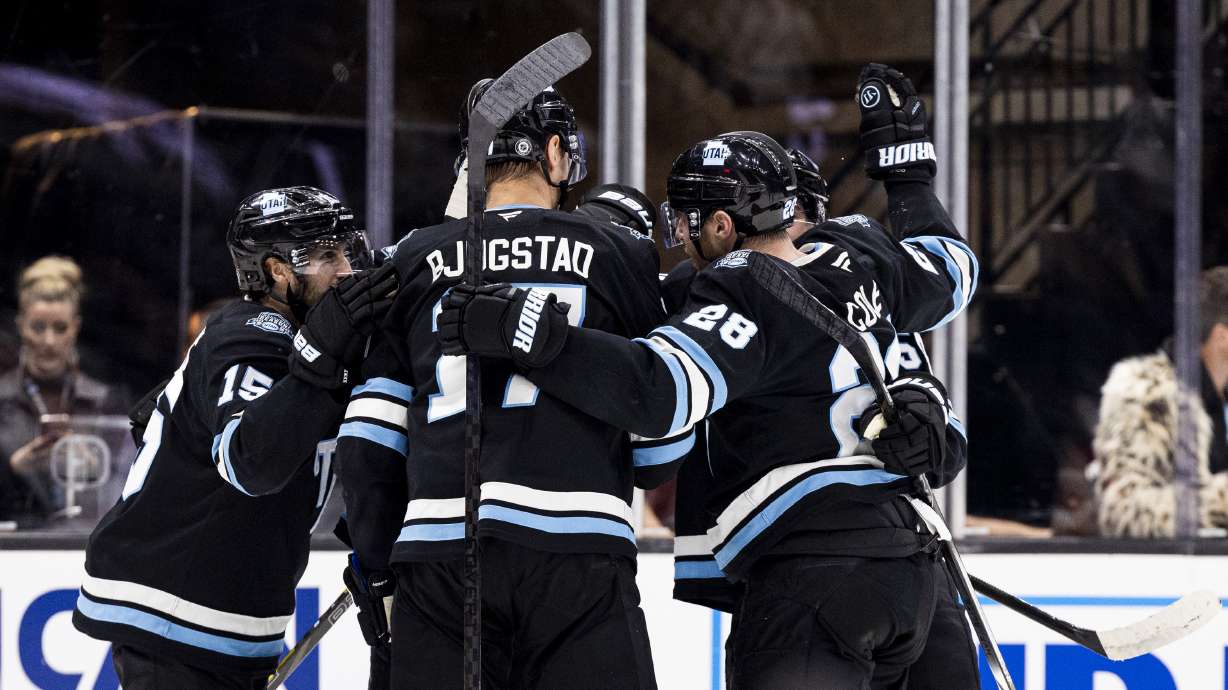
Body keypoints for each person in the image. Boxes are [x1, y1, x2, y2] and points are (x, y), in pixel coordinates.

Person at [439, 64, 979, 688]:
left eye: (686, 223)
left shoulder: (724, 287)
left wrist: (531, 325)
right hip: (913, 564)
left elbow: (655, 389)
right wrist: (908, 177)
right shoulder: (863, 254)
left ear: (722, 225)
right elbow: (952, 269)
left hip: (808, 569)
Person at [336, 80, 680, 689]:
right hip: (577, 555)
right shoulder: (620, 252)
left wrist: (380, 569)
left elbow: (368, 448)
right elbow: (659, 450)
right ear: (554, 153)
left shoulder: (412, 258)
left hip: (440, 557)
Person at [71, 186, 397, 689]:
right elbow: (252, 462)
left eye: (346, 251)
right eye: (327, 256)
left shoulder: (307, 345)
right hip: (176, 612)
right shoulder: (253, 334)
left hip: (228, 619)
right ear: (276, 272)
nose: (347, 270)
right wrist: (325, 355)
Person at [1092, 265, 1228, 537]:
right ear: (1223, 336)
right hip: (1172, 575)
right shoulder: (1146, 395)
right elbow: (1121, 512)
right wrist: (1220, 501)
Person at [0, 256, 127, 526]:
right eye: (38, 327)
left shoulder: (105, 402)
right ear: (21, 326)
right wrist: (12, 470)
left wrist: (97, 471)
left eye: (60, 328)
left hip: (82, 546)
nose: (49, 341)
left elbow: (128, 493)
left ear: (76, 328)